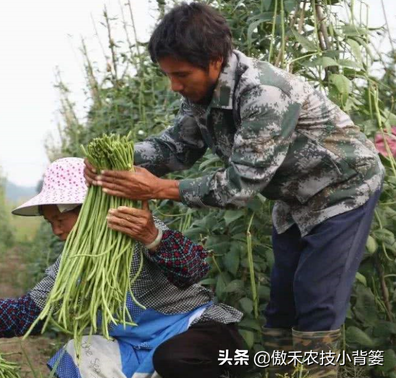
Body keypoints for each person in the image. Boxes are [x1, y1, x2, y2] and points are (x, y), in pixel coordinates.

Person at [85, 3, 385, 378]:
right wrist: (119, 159)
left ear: (215, 61)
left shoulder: (265, 93)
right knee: (281, 305)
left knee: (316, 300)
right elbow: (176, 147)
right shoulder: (200, 95)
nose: (174, 86)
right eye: (168, 75)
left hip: (342, 190)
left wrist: (160, 188)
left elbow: (240, 186)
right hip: (293, 198)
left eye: (181, 75)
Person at [0, 157, 248, 378]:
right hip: (138, 350)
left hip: (198, 336)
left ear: (89, 209)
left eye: (62, 219)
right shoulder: (70, 266)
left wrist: (153, 237)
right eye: (50, 223)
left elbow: (194, 268)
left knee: (175, 360)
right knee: (77, 356)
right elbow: (26, 314)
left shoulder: (137, 230)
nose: (57, 230)